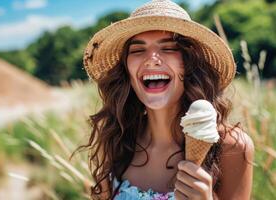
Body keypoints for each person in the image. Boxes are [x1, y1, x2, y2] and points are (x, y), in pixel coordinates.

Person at [81, 0, 254, 199]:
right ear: (126, 70)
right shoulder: (114, 139)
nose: (152, 58)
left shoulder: (232, 147)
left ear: (190, 64)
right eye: (137, 50)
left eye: (169, 48)